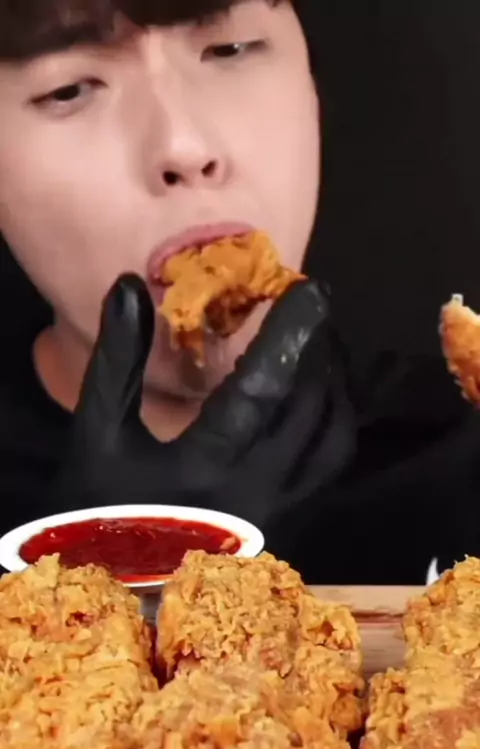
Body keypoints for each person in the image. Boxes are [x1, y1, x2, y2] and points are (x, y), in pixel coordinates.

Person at [0, 0, 479, 584]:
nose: (185, 146)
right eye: (68, 90)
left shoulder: (456, 451)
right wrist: (112, 582)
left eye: (229, 50)